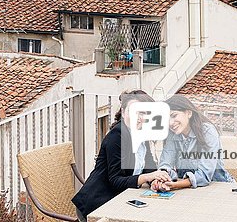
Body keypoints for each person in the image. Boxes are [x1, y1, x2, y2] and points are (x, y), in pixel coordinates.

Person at [72, 90, 170, 221]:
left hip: (121, 200)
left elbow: (149, 167)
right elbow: (115, 181)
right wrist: (148, 176)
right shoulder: (117, 136)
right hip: (97, 205)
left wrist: (155, 180)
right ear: (124, 113)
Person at [151, 94, 234, 191]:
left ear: (189, 113)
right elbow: (166, 163)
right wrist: (161, 177)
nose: (170, 123)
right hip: (186, 189)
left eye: (174, 115)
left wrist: (175, 185)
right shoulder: (172, 134)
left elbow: (205, 175)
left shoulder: (207, 132)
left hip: (218, 186)